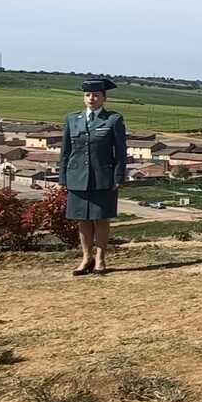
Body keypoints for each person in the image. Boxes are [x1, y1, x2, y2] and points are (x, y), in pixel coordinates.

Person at [60, 77, 127, 275]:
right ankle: (86, 258)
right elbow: (65, 151)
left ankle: (100, 259)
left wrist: (118, 177)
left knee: (101, 219)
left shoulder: (113, 119)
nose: (91, 98)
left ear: (104, 98)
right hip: (77, 176)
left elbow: (121, 152)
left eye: (96, 95)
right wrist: (63, 178)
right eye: (88, 95)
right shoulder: (72, 119)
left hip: (103, 177)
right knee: (83, 219)